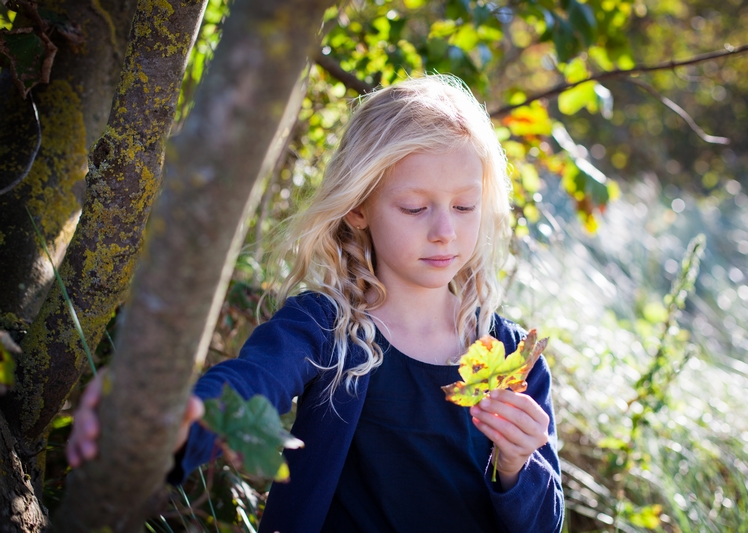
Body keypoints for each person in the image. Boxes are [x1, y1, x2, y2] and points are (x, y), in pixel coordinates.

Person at [68, 75, 564, 533]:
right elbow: (251, 384)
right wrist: (166, 418)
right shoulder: (328, 328)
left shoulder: (512, 359)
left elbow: (546, 522)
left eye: (464, 206)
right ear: (358, 206)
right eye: (415, 207)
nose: (444, 231)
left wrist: (517, 465)